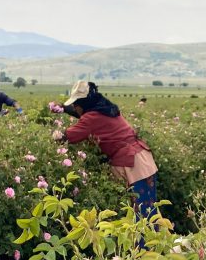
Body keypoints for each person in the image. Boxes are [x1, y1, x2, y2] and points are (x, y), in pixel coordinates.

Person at [52, 81, 158, 220]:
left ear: (82, 104)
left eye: (75, 105)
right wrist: (64, 108)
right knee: (149, 213)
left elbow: (68, 136)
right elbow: (87, 116)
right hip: (143, 161)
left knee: (138, 218)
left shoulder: (91, 118)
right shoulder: (106, 108)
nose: (74, 108)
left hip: (132, 166)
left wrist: (55, 136)